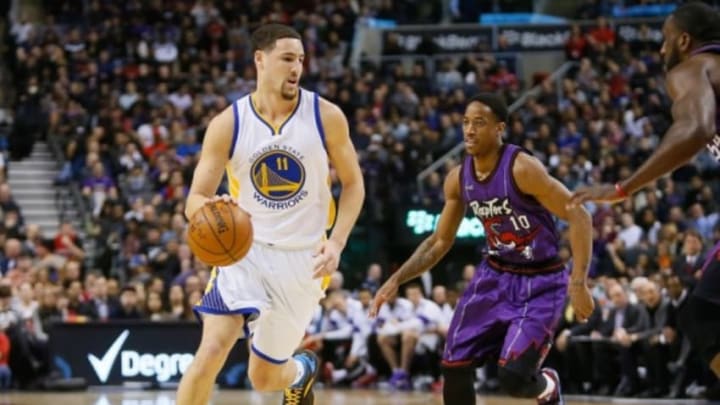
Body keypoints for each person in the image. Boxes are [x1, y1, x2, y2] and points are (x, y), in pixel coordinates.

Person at [176, 24, 364, 405]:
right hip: (243, 251)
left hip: (303, 258)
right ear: (260, 60)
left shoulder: (326, 116)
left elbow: (354, 185)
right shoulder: (228, 123)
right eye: (287, 58)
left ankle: (301, 371)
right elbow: (194, 199)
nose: (296, 68)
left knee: (262, 378)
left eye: (300, 60)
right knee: (210, 352)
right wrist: (210, 208)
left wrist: (338, 243)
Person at [370, 93, 594, 405]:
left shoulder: (522, 169)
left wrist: (579, 282)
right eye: (465, 123)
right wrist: (396, 279)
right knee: (454, 364)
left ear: (499, 128)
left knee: (515, 379)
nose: (469, 130)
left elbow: (579, 214)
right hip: (495, 276)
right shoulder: (458, 178)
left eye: (479, 123)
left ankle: (548, 386)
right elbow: (439, 241)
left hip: (541, 280)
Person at [569, 3, 720, 398]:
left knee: (703, 313)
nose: (660, 50)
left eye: (665, 39)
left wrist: (623, 188)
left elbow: (695, 127)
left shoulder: (693, 67)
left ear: (684, 40)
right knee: (702, 311)